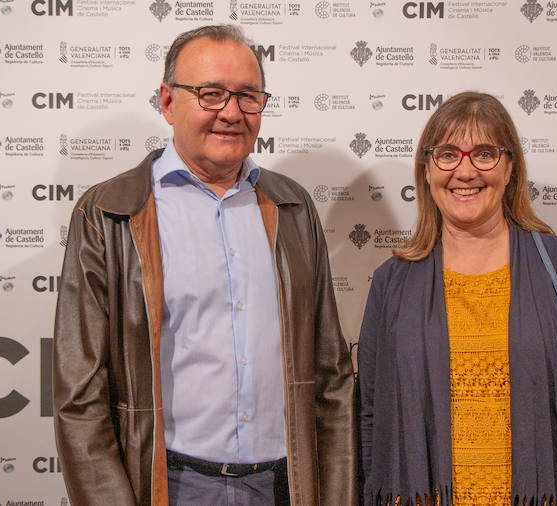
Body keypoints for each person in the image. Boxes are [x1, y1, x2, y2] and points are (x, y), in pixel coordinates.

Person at [53, 24, 356, 506]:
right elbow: (80, 395)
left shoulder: (293, 208)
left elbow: (331, 375)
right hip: (168, 485)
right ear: (169, 103)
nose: (231, 113)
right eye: (211, 94)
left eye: (247, 96)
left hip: (285, 485)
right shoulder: (109, 213)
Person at [358, 92, 557, 505]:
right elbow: (371, 417)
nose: (465, 171)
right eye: (448, 154)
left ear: (510, 167)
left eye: (484, 153)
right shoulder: (390, 282)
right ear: (427, 169)